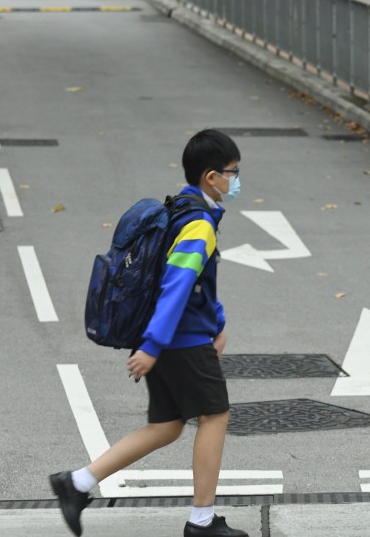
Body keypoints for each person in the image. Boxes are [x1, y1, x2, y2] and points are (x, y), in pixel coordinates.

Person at [50, 129, 248, 537]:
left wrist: (219, 322)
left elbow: (196, 285)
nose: (237, 180)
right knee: (215, 416)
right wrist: (155, 346)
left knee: (167, 425)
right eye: (233, 172)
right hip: (181, 340)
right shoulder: (198, 224)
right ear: (212, 176)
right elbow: (176, 287)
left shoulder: (181, 208)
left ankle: (78, 483)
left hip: (173, 335)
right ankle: (202, 521)